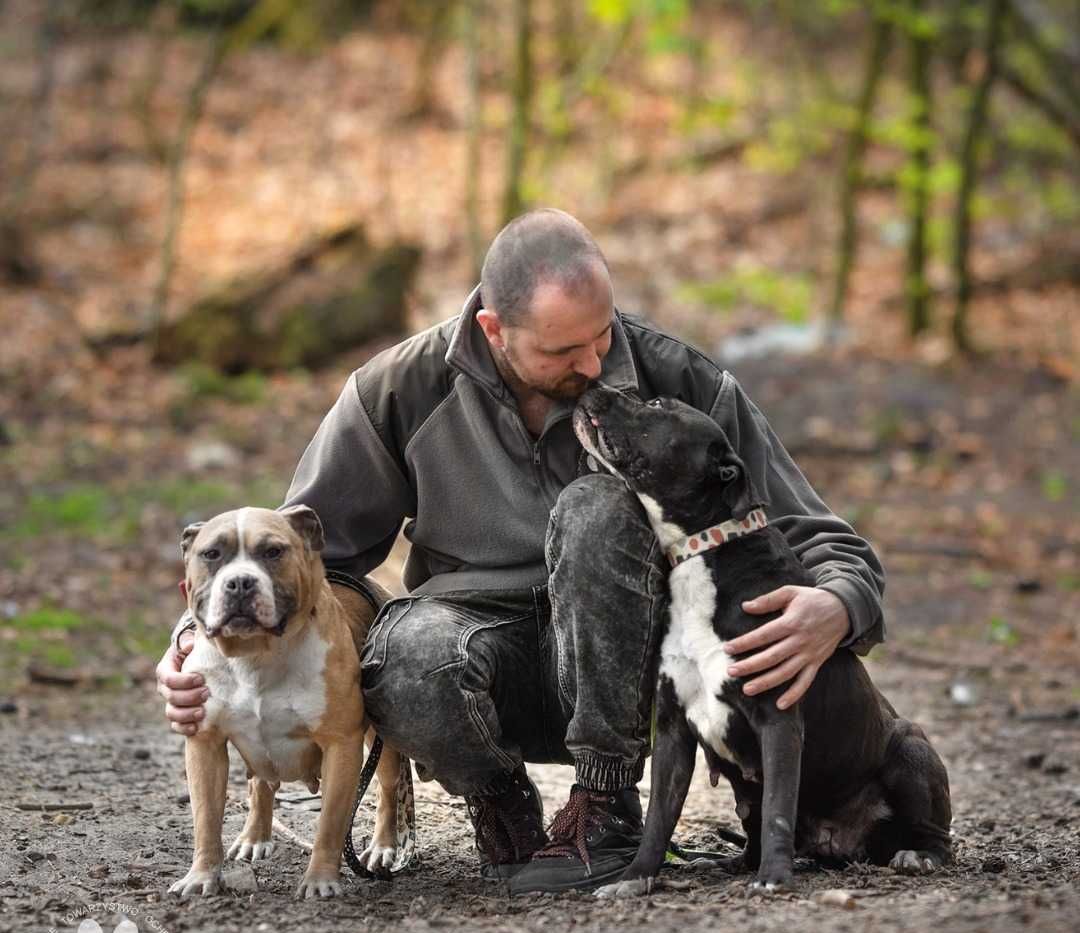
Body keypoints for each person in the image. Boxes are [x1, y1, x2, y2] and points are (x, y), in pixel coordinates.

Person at [157, 208, 885, 895]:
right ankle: (501, 806)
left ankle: (603, 810)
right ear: (493, 328)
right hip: (477, 663)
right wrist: (199, 641)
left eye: (603, 336)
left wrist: (839, 602)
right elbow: (308, 561)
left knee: (597, 506)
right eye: (564, 350)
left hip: (632, 672)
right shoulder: (399, 389)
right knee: (404, 652)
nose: (596, 365)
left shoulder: (678, 382)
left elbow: (816, 533)